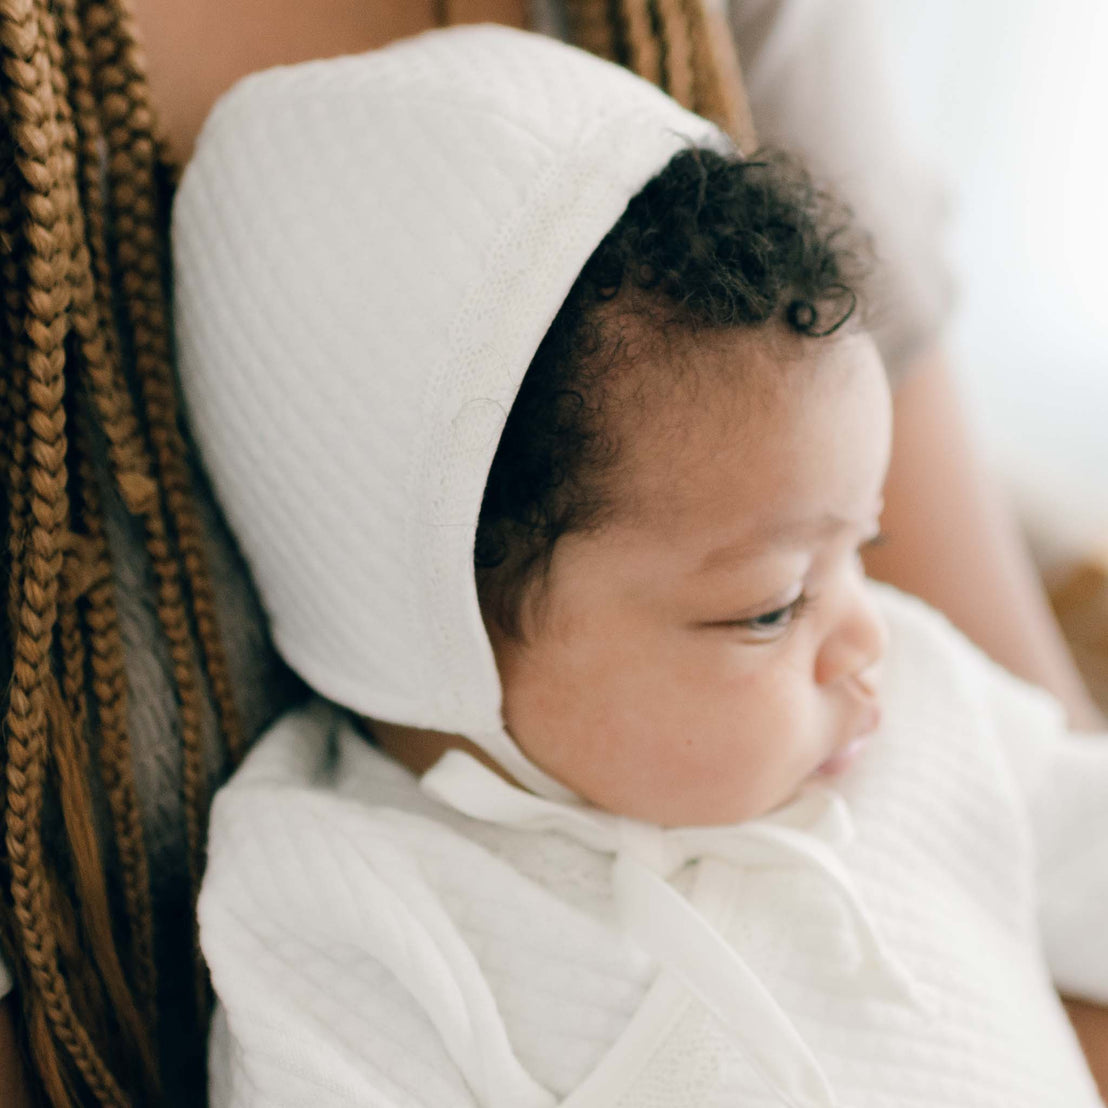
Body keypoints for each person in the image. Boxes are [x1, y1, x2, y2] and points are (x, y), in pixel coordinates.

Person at [1, 1, 1106, 1105]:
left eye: (859, 547)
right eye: (769, 607)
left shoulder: (927, 716)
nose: (866, 634)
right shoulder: (357, 915)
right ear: (439, 642)